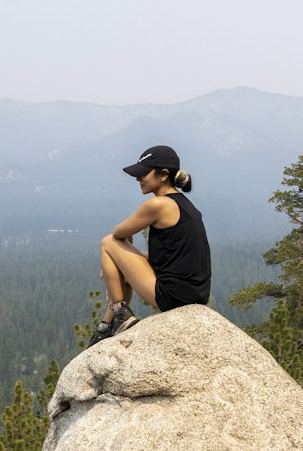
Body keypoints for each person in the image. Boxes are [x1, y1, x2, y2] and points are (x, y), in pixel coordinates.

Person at [88, 143, 212, 346]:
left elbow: (118, 233)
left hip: (172, 296)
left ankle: (117, 318)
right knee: (120, 263)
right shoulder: (186, 206)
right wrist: (122, 261)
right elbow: (174, 257)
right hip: (195, 294)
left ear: (163, 175)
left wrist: (115, 256)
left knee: (107, 242)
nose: (138, 179)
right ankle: (106, 326)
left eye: (143, 174)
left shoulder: (158, 204)